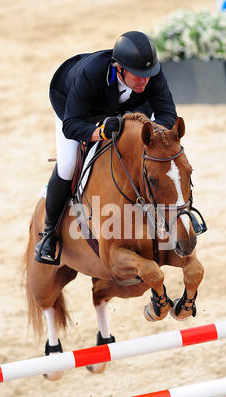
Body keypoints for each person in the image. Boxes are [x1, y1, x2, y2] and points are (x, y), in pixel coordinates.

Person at [35, 30, 178, 265]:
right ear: (119, 68)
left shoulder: (150, 74)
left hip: (122, 110)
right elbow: (71, 125)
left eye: (148, 75)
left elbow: (167, 114)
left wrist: (155, 139)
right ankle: (49, 233)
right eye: (139, 75)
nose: (145, 80)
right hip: (76, 109)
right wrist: (99, 132)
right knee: (69, 165)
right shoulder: (90, 74)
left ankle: (177, 216)